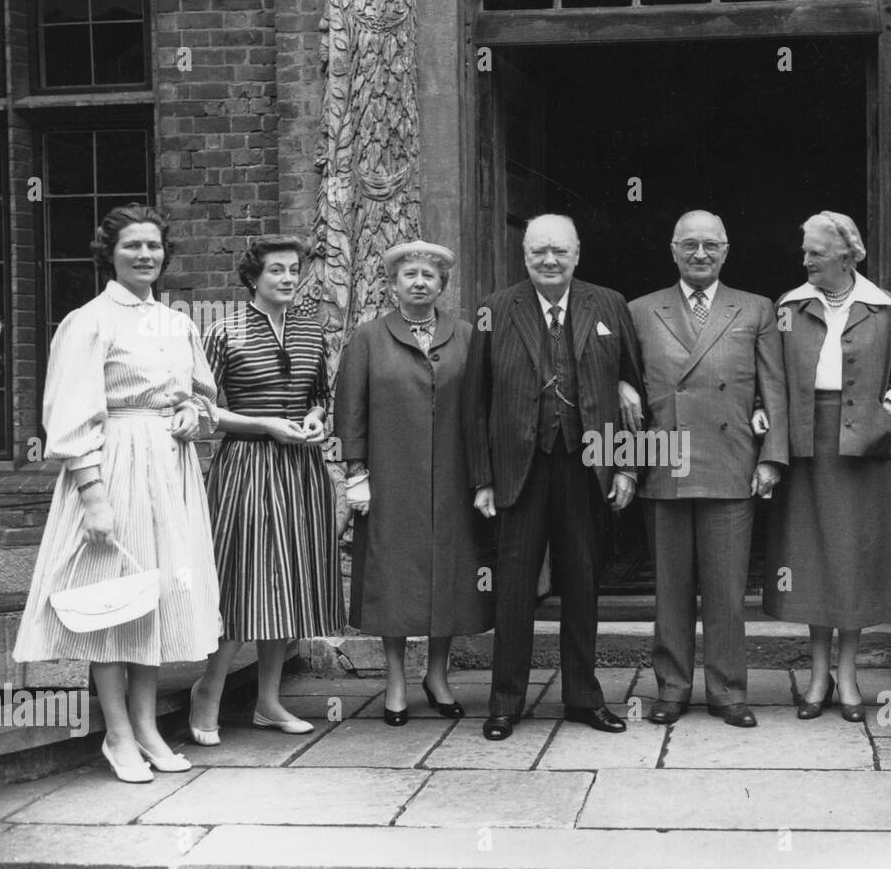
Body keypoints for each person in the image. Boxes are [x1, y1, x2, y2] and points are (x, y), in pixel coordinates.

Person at [12, 204, 220, 782]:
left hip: (169, 470)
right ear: (110, 254)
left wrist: (190, 413)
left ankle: (149, 728)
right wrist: (93, 496)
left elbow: (203, 397)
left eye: (153, 246)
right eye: (132, 246)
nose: (145, 256)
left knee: (148, 597)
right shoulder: (88, 321)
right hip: (112, 466)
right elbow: (71, 415)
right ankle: (119, 736)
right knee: (111, 601)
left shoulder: (178, 324)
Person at [464, 214, 645, 741]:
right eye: (539, 251)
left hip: (588, 464)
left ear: (577, 254)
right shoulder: (495, 309)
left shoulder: (608, 304)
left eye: (559, 252)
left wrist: (627, 464)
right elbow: (476, 403)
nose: (549, 261)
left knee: (583, 584)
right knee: (515, 588)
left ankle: (584, 699)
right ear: (525, 255)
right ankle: (505, 703)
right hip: (519, 468)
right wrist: (482, 479)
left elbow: (633, 391)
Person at [625, 210, 787, 727]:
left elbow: (773, 388)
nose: (700, 254)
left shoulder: (756, 308)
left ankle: (728, 690)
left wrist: (772, 458)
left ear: (726, 249)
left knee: (727, 590)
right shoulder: (640, 310)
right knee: (669, 589)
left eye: (710, 246)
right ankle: (671, 689)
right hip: (663, 461)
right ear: (672, 250)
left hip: (731, 461)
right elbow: (621, 383)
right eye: (690, 245)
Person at [763, 211, 891, 721]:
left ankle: (849, 677)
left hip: (863, 446)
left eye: (815, 251)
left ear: (846, 254)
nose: (805, 259)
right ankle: (816, 676)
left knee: (853, 559)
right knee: (810, 559)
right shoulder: (788, 307)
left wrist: (887, 412)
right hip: (807, 443)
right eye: (804, 251)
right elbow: (772, 378)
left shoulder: (886, 308)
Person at [188, 235, 344, 743]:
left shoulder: (310, 332)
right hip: (248, 467)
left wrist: (316, 421)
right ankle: (207, 691)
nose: (287, 278)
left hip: (301, 468)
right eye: (276, 269)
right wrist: (265, 425)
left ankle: (269, 701)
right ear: (253, 277)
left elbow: (321, 395)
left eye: (293, 269)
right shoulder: (223, 331)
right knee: (243, 578)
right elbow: (204, 409)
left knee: (293, 581)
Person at [334, 239, 493, 725]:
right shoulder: (368, 338)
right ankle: (397, 680)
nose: (420, 282)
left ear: (442, 285)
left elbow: (485, 407)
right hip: (391, 477)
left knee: (450, 576)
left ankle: (438, 676)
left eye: (429, 276)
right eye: (410, 276)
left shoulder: (467, 335)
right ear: (394, 284)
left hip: (453, 477)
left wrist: (484, 476)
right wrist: (356, 472)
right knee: (394, 579)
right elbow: (350, 408)